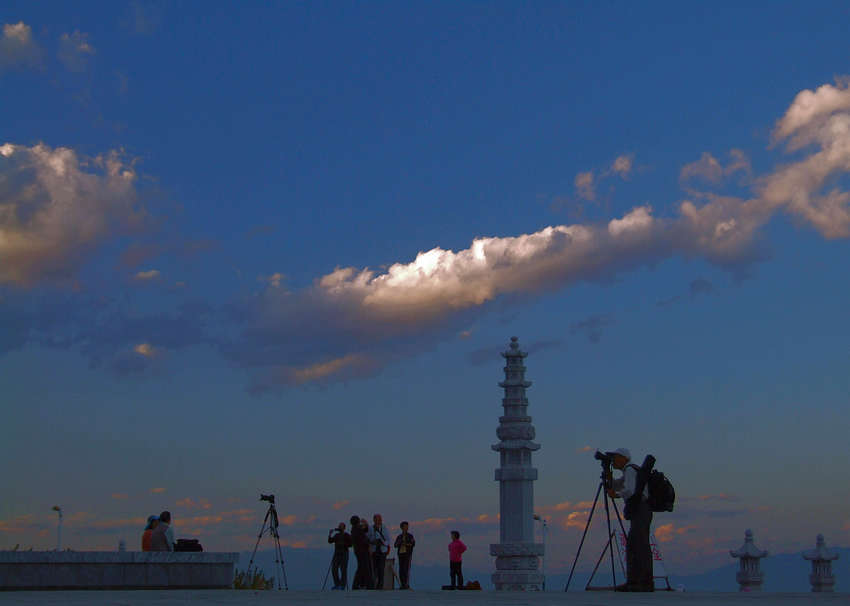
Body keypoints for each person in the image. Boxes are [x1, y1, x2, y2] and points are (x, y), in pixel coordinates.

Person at [607, 448, 654, 592]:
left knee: (638, 545)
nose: (613, 461)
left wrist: (616, 495)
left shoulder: (630, 471)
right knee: (635, 544)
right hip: (642, 510)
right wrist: (608, 477)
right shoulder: (630, 471)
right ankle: (636, 581)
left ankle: (642, 582)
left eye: (615, 457)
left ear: (624, 458)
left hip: (641, 509)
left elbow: (629, 490)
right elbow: (618, 484)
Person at [368, 513, 391, 589]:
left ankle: (380, 585)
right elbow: (368, 539)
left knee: (381, 568)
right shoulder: (371, 528)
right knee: (374, 569)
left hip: (382, 551)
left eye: (379, 519)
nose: (379, 521)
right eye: (377, 519)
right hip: (374, 551)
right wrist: (373, 542)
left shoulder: (384, 528)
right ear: (374, 520)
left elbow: (388, 540)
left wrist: (383, 543)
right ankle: (374, 584)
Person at [327, 522, 352, 590]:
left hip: (344, 553)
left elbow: (350, 544)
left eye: (341, 526)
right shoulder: (336, 535)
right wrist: (330, 534)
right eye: (339, 526)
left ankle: (342, 585)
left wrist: (343, 544)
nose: (339, 527)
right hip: (336, 554)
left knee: (343, 570)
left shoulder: (347, 535)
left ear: (344, 528)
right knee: (334, 569)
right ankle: (337, 584)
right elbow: (330, 541)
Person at [351, 515, 373, 590]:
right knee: (365, 567)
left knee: (361, 567)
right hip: (362, 551)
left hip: (358, 551)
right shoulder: (357, 529)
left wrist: (365, 525)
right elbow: (363, 539)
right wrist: (369, 542)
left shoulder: (354, 529)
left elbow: (364, 531)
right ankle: (369, 585)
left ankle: (357, 584)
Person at [394, 521, 415, 589]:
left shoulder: (410, 536)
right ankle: (403, 583)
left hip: (407, 554)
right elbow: (395, 545)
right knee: (401, 569)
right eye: (404, 527)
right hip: (401, 554)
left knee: (406, 568)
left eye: (407, 526)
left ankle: (406, 583)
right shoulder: (399, 536)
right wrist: (400, 543)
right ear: (402, 528)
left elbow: (412, 544)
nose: (406, 528)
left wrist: (406, 544)